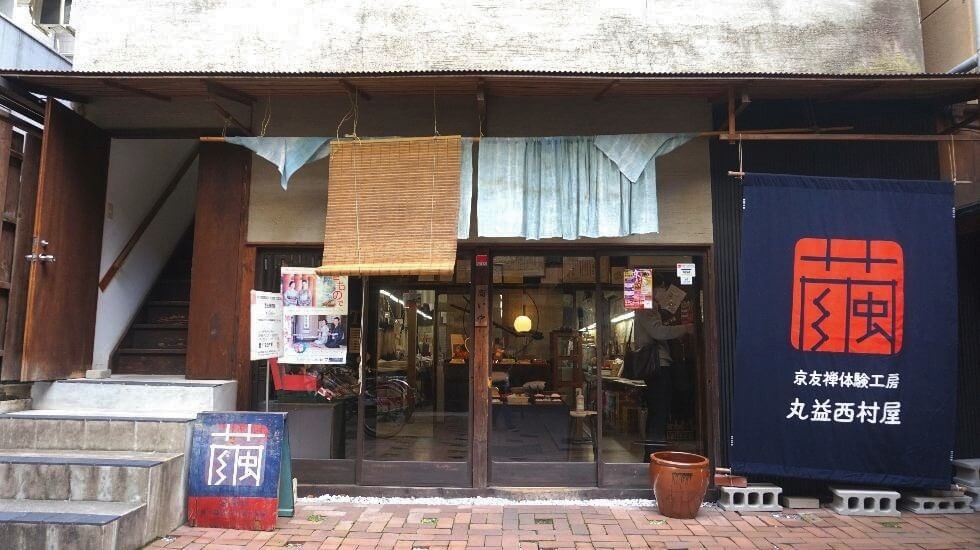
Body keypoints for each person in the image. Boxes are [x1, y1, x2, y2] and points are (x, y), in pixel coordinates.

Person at [634, 273, 694, 444]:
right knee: (659, 411)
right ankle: (654, 454)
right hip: (659, 366)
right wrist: (686, 328)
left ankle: (652, 454)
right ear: (655, 289)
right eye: (663, 288)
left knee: (657, 411)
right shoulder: (646, 308)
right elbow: (658, 332)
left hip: (659, 366)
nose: (665, 293)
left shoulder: (652, 308)